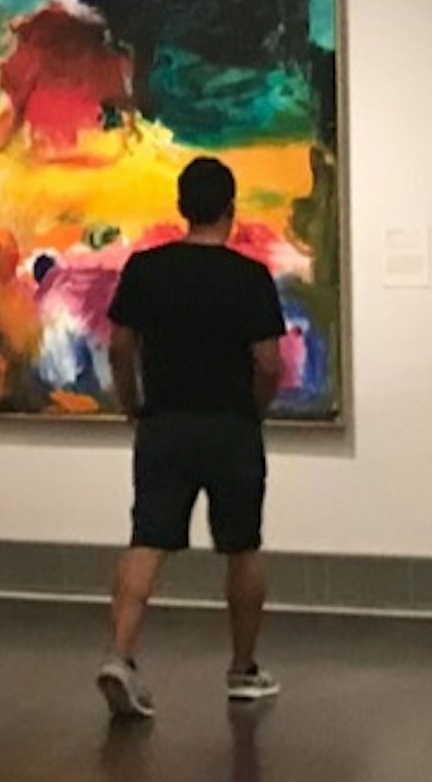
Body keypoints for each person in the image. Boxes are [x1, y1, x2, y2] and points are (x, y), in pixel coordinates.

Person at [94, 154, 287, 720]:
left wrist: (132, 404)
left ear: (182, 207)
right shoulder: (249, 278)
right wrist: (254, 409)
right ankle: (242, 670)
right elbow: (269, 362)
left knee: (147, 538)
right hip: (230, 426)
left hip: (165, 424)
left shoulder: (146, 270)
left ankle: (120, 656)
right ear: (230, 210)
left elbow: (121, 347)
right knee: (242, 545)